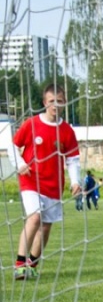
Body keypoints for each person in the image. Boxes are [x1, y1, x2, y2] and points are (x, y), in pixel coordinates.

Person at [7, 83, 81, 280]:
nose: (55, 105)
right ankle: (20, 264)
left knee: (46, 226)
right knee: (34, 218)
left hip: (53, 185)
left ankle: (32, 264)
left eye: (59, 101)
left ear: (65, 103)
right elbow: (13, 146)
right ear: (44, 103)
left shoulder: (66, 131)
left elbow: (73, 159)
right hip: (30, 181)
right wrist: (20, 164)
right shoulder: (31, 124)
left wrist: (75, 182)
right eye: (51, 101)